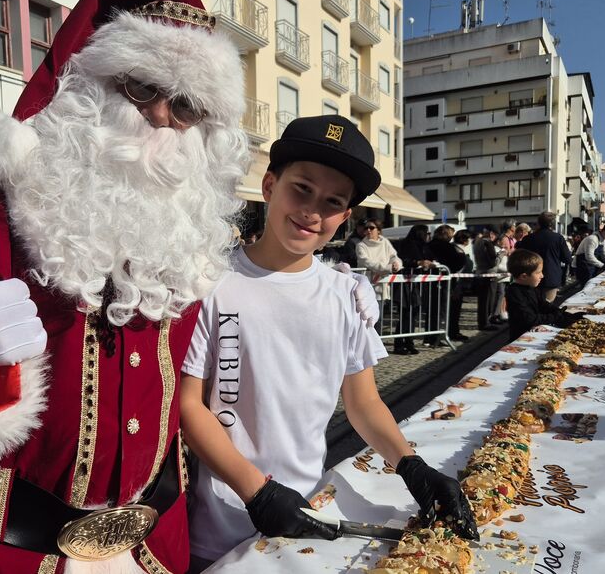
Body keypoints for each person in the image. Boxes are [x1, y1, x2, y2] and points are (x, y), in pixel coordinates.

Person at [0, 0, 260, 574]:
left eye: (186, 105)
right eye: (141, 86)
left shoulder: (191, 239)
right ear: (87, 83)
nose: (159, 116)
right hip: (5, 552)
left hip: (153, 549)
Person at [179, 116, 478, 570]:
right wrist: (255, 489)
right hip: (220, 522)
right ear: (269, 184)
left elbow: (363, 404)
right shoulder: (212, 284)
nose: (312, 211)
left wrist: (412, 466)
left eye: (332, 202)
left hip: (309, 515)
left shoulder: (346, 296)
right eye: (301, 188)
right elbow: (189, 405)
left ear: (345, 217)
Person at [505, 249, 583, 340]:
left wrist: (568, 316)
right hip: (522, 337)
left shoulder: (532, 288)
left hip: (536, 333)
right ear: (524, 276)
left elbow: (545, 306)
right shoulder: (514, 292)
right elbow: (529, 319)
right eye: (538, 272)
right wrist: (555, 316)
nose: (542, 276)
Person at [356, 218, 403, 329]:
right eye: (366, 228)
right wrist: (389, 268)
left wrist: (396, 264)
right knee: (367, 318)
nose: (368, 230)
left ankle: (376, 343)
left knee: (379, 318)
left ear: (379, 230)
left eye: (371, 228)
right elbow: (367, 262)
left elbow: (394, 257)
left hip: (382, 285)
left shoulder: (385, 242)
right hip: (368, 285)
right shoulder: (361, 245)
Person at [516, 212, 572, 303]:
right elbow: (567, 259)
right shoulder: (558, 238)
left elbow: (519, 254)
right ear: (552, 224)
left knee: (533, 306)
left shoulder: (528, 239)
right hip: (551, 277)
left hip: (531, 276)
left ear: (539, 223)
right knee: (547, 306)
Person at [394, 224, 432, 354]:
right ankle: (399, 344)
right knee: (405, 314)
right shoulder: (407, 244)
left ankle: (409, 342)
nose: (428, 236)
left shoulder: (421, 245)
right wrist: (417, 263)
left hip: (414, 284)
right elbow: (404, 261)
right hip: (404, 283)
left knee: (413, 314)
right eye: (427, 233)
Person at [449, 229, 474, 341]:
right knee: (454, 311)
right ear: (464, 240)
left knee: (456, 310)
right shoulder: (457, 250)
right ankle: (453, 332)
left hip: (460, 283)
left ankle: (454, 331)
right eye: (468, 238)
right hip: (456, 284)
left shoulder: (459, 249)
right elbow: (458, 270)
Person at [472, 227, 498, 330]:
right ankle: (485, 323)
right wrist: (500, 255)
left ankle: (482, 322)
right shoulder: (488, 243)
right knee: (488, 300)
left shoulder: (477, 242)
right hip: (488, 274)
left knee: (482, 301)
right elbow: (492, 262)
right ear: (491, 234)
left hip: (479, 272)